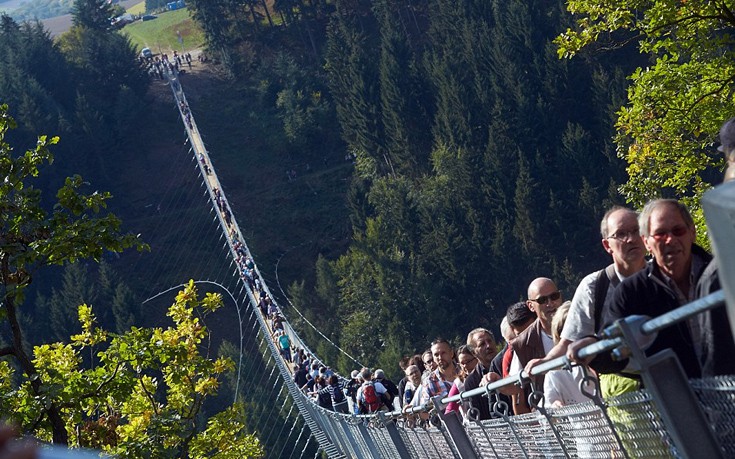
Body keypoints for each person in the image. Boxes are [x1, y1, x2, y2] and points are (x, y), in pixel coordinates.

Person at [579, 199, 713, 380]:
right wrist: (593, 348)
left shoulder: (722, 273)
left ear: (692, 233)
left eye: (678, 231)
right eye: (660, 234)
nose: (670, 239)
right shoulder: (631, 292)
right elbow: (613, 349)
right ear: (647, 242)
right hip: (680, 400)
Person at [525, 207, 647, 397]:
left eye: (636, 230)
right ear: (607, 245)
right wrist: (545, 362)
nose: (631, 238)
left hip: (676, 377)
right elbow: (569, 341)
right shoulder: (594, 286)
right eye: (621, 234)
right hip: (627, 395)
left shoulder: (663, 274)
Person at [508, 278, 562, 414]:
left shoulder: (578, 322)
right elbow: (514, 386)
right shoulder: (522, 343)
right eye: (542, 300)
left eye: (554, 296)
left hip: (591, 400)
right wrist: (494, 381)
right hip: (555, 416)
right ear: (531, 306)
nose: (550, 303)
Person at [543, 301, 596, 407]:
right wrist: (555, 407)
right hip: (579, 423)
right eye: (567, 337)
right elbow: (547, 411)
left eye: (579, 333)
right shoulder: (555, 373)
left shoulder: (605, 357)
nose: (574, 341)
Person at [463, 328, 503, 420]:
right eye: (482, 344)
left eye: (489, 341)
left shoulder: (508, 364)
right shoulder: (471, 381)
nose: (488, 346)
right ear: (473, 353)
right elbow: (477, 416)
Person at [419, 339, 460, 405]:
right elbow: (424, 410)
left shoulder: (466, 370)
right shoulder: (429, 382)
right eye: (436, 355)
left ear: (451, 353)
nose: (440, 357)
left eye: (443, 353)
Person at [444, 344, 478, 415]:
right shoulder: (459, 383)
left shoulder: (487, 373)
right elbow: (450, 408)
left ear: (477, 358)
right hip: (473, 424)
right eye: (462, 363)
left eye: (468, 361)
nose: (465, 366)